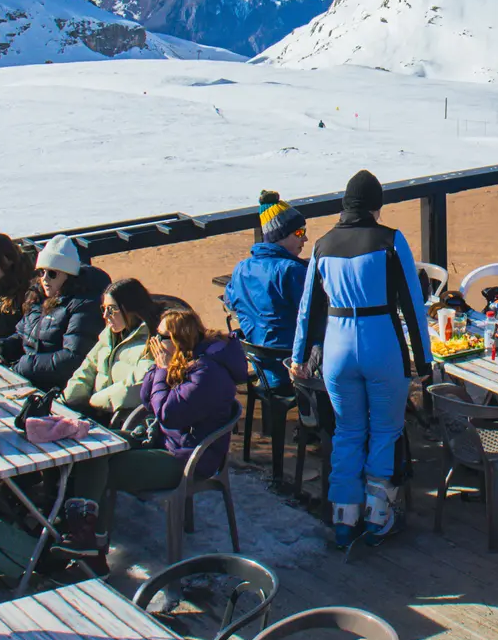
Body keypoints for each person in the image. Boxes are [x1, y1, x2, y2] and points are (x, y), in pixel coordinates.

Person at [291, 170, 430, 548]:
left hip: (337, 345)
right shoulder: (390, 241)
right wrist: (425, 360)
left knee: (347, 432)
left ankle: (343, 517)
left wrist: (299, 355)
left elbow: (308, 309)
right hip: (381, 339)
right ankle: (378, 516)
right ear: (376, 206)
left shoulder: (321, 245)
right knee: (385, 431)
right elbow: (413, 305)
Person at [66, 303, 248, 569]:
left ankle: (91, 549)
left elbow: (168, 414)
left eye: (161, 336)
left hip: (185, 458)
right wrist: (158, 368)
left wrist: (162, 370)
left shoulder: (207, 374)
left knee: (108, 465)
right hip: (164, 440)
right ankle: (88, 538)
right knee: (95, 448)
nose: (154, 341)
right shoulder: (183, 362)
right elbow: (147, 399)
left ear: (177, 340)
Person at [0, 235, 109, 389]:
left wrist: (26, 365)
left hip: (59, 389)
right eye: (42, 272)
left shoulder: (84, 305)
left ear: (69, 275)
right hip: (31, 381)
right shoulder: (38, 297)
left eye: (52, 273)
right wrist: (2, 348)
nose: (45, 279)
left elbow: (72, 359)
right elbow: (22, 335)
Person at [224, 190, 309, 389]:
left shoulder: (241, 269)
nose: (304, 239)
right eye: (299, 232)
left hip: (262, 365)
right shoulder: (291, 271)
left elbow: (230, 301)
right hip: (293, 367)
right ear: (279, 236)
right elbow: (316, 314)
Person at [63, 278, 161, 423]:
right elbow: (89, 366)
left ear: (131, 309)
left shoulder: (152, 341)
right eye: (104, 309)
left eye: (113, 309)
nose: (106, 316)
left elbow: (136, 386)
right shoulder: (110, 334)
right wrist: (70, 397)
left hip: (122, 422)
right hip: (97, 413)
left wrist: (94, 401)